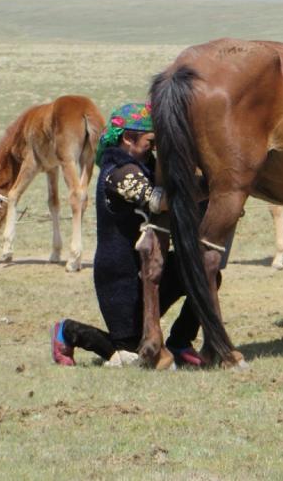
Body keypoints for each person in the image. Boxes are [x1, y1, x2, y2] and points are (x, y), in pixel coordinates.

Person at [50, 102, 214, 368]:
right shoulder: (117, 172)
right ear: (128, 138)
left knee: (206, 273)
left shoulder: (148, 164)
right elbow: (156, 201)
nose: (156, 146)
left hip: (150, 268)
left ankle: (180, 341)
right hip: (120, 276)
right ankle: (67, 331)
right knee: (131, 354)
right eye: (151, 140)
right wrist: (209, 189)